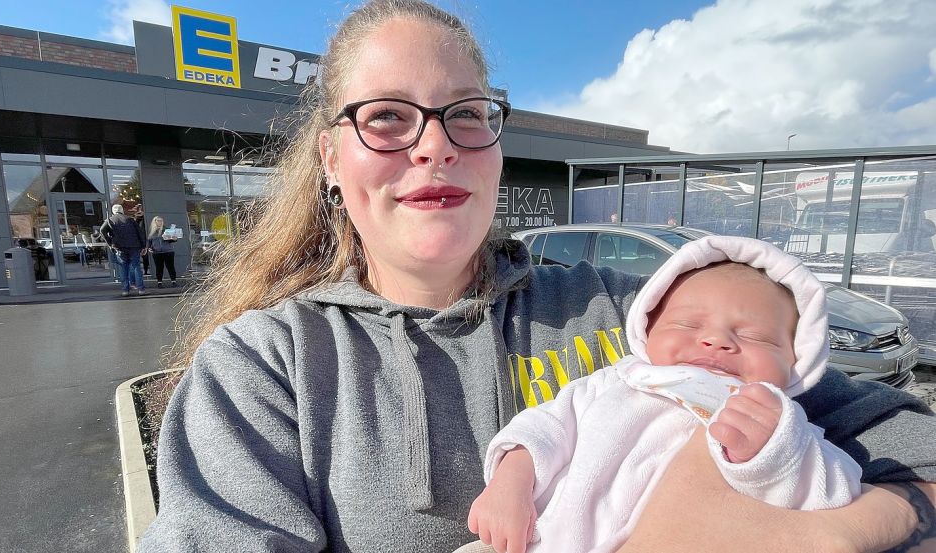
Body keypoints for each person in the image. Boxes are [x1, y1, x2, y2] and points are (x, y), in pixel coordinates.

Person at [138, 2, 936, 552]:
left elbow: (910, 450)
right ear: (329, 158)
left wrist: (840, 528)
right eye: (386, 116)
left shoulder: (635, 314)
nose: (432, 145)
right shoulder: (261, 371)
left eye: (465, 112)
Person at [467, 236, 861, 553]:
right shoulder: (613, 383)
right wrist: (509, 488)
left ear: (797, 360)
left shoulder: (787, 430)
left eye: (754, 336)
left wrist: (775, 454)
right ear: (646, 328)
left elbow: (837, 492)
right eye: (688, 323)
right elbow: (540, 430)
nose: (715, 340)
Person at [100, 204, 146, 297]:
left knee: (123, 268)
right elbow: (139, 232)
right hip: (134, 246)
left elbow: (102, 231)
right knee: (136, 267)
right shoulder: (130, 219)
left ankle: (125, 290)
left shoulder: (110, 220)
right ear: (122, 211)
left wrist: (110, 243)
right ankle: (141, 289)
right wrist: (143, 246)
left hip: (119, 247)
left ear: (113, 211)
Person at [147, 216, 178, 288]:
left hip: (168, 251)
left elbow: (172, 240)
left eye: (161, 221)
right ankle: (159, 282)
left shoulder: (166, 230)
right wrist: (149, 248)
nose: (160, 222)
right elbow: (149, 242)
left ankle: (174, 281)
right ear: (154, 222)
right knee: (159, 268)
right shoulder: (152, 232)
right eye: (158, 221)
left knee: (170, 267)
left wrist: (174, 238)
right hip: (157, 252)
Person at [135, 204, 152, 276]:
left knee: (146, 257)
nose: (140, 211)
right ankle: (145, 271)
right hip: (141, 241)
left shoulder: (146, 218)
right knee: (143, 257)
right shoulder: (138, 219)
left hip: (145, 240)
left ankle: (145, 270)